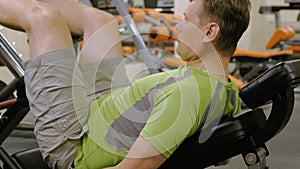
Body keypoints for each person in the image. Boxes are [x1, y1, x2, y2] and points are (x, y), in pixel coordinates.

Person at [0, 0, 251, 168]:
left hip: (75, 142)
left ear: (209, 33)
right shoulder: (225, 89)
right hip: (103, 111)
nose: (178, 25)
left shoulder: (188, 94)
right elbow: (223, 154)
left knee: (41, 16)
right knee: (102, 22)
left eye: (186, 20)